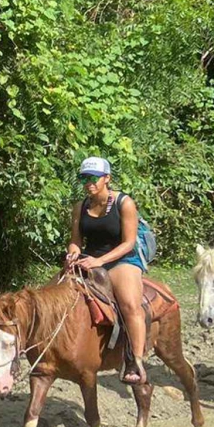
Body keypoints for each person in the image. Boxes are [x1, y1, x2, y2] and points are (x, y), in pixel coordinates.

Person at [65, 156, 148, 384]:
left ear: (107, 178)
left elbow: (128, 243)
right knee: (55, 293)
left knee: (130, 304)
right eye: (84, 178)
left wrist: (100, 261)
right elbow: (75, 241)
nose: (88, 183)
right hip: (88, 259)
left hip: (121, 259)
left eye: (94, 178)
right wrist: (73, 254)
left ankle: (135, 361)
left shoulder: (124, 203)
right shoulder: (80, 207)